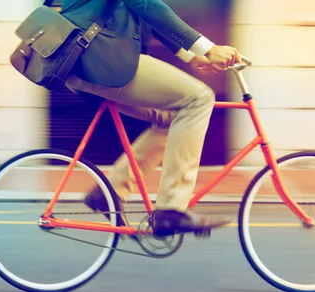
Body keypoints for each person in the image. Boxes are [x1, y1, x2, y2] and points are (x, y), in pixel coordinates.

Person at [58, 0, 242, 239]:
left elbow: (140, 12)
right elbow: (145, 5)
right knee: (199, 98)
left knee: (172, 119)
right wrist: (207, 48)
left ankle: (110, 191)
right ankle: (171, 209)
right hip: (102, 57)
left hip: (89, 60)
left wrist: (190, 56)